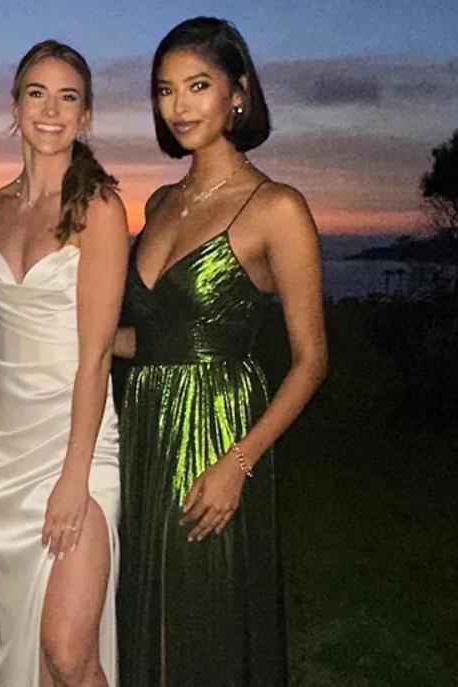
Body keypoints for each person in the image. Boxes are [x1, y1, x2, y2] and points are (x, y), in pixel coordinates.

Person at [114, 17, 327, 687]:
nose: (178, 106)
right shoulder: (159, 202)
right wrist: (56, 337)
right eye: (165, 89)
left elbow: (311, 360)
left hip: (218, 431)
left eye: (197, 85)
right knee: (149, 607)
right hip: (143, 427)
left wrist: (240, 462)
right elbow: (149, 339)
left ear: (238, 93)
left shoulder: (277, 207)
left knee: (207, 609)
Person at [0, 40, 129, 687]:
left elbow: (96, 356)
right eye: (37, 93)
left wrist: (74, 477)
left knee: (67, 651)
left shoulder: (99, 210)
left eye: (68, 97)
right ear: (15, 107)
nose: (51, 110)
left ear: (86, 116)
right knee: (29, 654)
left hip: (74, 439)